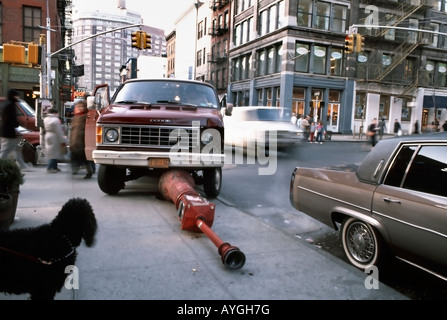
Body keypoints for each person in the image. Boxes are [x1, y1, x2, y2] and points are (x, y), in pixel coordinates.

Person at [0, 89, 31, 171]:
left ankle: (23, 165)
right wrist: (17, 125)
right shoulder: (11, 105)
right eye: (16, 95)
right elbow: (11, 119)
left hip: (7, 132)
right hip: (8, 133)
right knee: (6, 150)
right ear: (13, 96)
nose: (18, 97)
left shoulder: (7, 104)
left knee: (15, 149)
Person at [69, 100, 93, 179]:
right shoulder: (75, 118)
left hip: (83, 141)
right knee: (75, 157)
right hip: (75, 141)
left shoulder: (87, 117)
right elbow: (72, 131)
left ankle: (89, 171)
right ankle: (76, 168)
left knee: (85, 158)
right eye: (78, 107)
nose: (79, 108)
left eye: (81, 107)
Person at [43, 108, 67, 173]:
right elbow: (59, 131)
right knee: (54, 153)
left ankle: (55, 167)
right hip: (54, 136)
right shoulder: (56, 120)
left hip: (47, 135)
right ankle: (50, 167)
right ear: (54, 113)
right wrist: (63, 140)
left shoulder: (45, 119)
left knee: (51, 152)